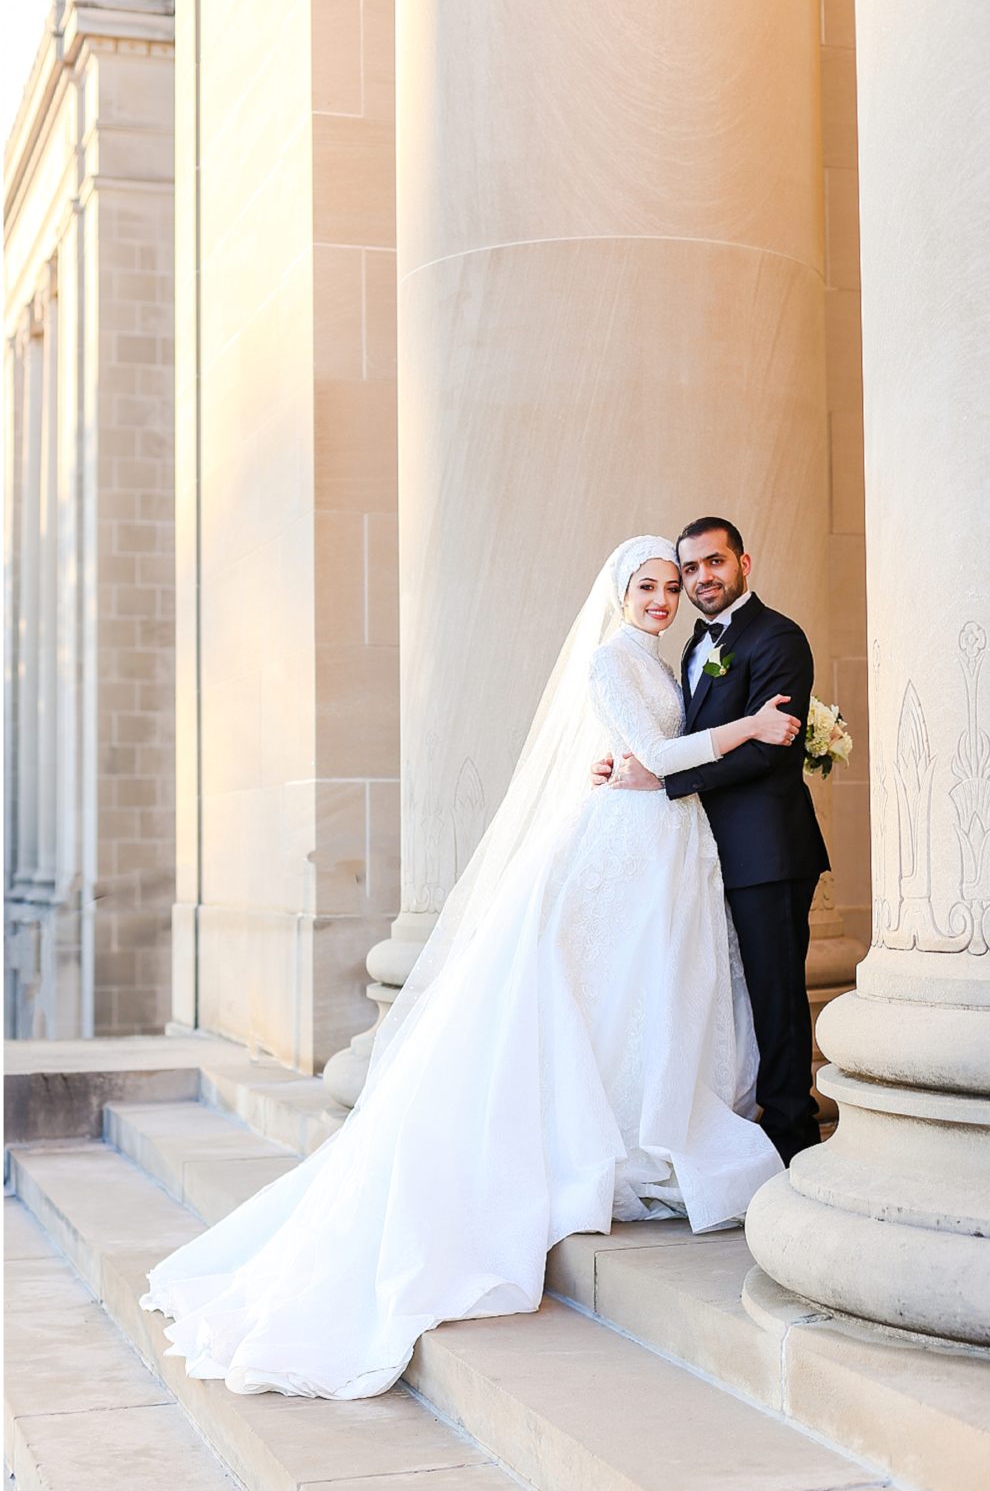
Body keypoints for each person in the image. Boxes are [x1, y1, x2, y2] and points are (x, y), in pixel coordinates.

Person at [140, 536, 797, 1401]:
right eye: (647, 586)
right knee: (612, 991)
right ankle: (624, 1136)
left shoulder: (663, 660)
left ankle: (649, 1123)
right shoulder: (609, 660)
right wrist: (745, 727)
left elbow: (633, 754)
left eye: (671, 587)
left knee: (647, 995)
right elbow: (657, 755)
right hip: (628, 845)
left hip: (666, 845)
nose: (662, 599)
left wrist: (620, 762)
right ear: (618, 591)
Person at [595, 518, 830, 1165]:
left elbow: (767, 752)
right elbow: (661, 736)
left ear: (743, 563)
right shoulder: (686, 648)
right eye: (687, 571)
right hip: (700, 849)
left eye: (711, 564)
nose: (699, 580)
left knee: (774, 993)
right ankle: (739, 1120)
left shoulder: (777, 636)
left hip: (765, 850)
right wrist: (623, 766)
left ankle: (792, 1135)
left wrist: (662, 780)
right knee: (719, 992)